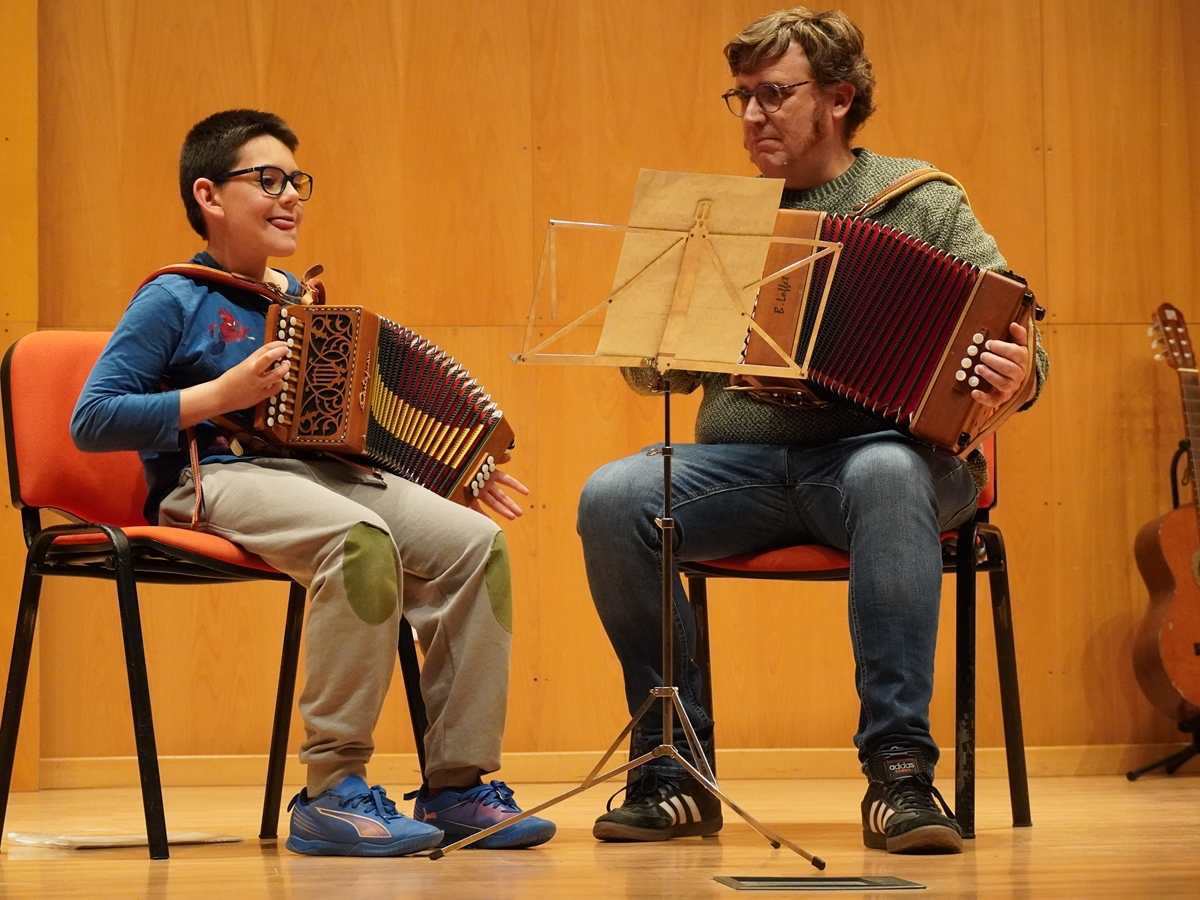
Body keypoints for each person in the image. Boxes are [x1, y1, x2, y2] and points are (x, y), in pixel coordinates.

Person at [577, 8, 1048, 854]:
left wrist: (1020, 371)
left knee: (886, 473)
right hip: (743, 469)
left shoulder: (922, 202)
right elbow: (651, 375)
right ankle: (673, 770)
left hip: (882, 463)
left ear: (839, 98)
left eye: (774, 94)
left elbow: (1017, 332)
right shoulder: (718, 216)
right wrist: (661, 330)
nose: (752, 116)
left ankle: (899, 774)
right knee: (613, 496)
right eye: (743, 97)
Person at [71, 109, 555, 857]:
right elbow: (93, 419)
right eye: (268, 180)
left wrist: (455, 469)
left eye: (297, 180)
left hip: (312, 473)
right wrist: (217, 396)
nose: (291, 195)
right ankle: (331, 791)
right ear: (209, 194)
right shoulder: (172, 297)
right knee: (359, 540)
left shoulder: (295, 295)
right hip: (211, 477)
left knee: (474, 544)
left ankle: (457, 787)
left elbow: (344, 423)